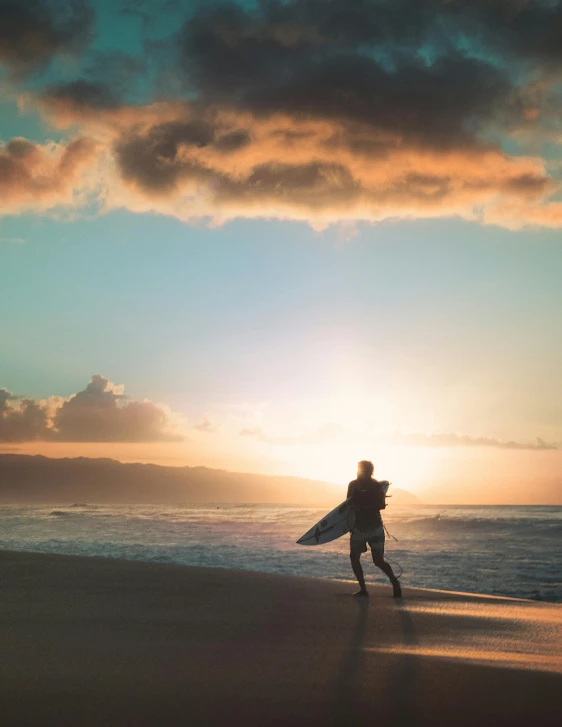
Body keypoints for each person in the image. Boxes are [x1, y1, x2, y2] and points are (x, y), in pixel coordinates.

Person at [347, 460, 402, 598]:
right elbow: (347, 504)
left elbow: (381, 505)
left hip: (374, 528)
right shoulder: (352, 485)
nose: (358, 471)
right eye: (358, 468)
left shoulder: (376, 486)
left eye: (361, 469)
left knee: (378, 561)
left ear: (369, 471)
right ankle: (363, 589)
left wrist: (364, 506)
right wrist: (350, 524)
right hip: (358, 528)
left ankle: (394, 582)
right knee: (354, 558)